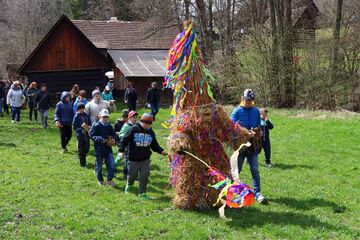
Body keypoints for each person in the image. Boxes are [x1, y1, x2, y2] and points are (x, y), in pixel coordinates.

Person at [231, 88, 267, 204]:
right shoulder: (236, 112)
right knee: (237, 170)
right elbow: (232, 128)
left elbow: (258, 125)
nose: (248, 102)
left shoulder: (256, 111)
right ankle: (232, 192)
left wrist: (259, 131)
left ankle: (258, 193)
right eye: (246, 100)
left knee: (255, 170)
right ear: (242, 99)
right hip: (241, 147)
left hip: (253, 146)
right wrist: (246, 132)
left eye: (250, 100)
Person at [119, 113, 167, 200]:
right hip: (133, 159)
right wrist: (121, 151)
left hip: (145, 159)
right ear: (142, 121)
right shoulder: (133, 129)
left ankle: (142, 193)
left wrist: (161, 151)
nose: (148, 125)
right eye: (146, 123)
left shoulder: (151, 132)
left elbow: (154, 145)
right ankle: (129, 185)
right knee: (132, 175)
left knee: (144, 176)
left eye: (150, 123)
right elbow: (124, 140)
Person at [89, 109, 117, 186]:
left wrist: (113, 139)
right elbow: (91, 135)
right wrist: (101, 139)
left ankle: (109, 180)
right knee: (99, 166)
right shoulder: (96, 125)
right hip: (99, 149)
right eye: (104, 117)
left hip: (108, 149)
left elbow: (113, 134)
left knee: (111, 165)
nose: (105, 118)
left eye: (107, 117)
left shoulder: (109, 126)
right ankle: (100, 180)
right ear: (100, 116)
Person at [115, 110, 138, 179]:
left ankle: (133, 175)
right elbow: (120, 134)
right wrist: (127, 136)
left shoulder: (136, 125)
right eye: (133, 117)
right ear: (129, 118)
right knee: (125, 160)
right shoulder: (126, 125)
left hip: (134, 146)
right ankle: (114, 168)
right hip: (126, 146)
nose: (135, 118)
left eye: (136, 117)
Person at [73, 102, 91, 167]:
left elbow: (90, 123)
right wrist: (81, 130)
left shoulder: (86, 115)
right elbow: (75, 126)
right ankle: (82, 163)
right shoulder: (76, 116)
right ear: (78, 109)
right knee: (81, 149)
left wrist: (89, 127)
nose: (82, 110)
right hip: (80, 135)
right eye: (80, 109)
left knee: (87, 148)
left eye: (83, 109)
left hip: (87, 134)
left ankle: (82, 155)